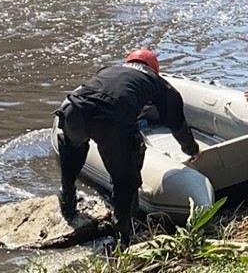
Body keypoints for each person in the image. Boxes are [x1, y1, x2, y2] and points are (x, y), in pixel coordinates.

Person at [54, 49, 200, 244]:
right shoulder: (159, 84)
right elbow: (177, 124)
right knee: (126, 179)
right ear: (155, 69)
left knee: (72, 149)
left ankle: (67, 201)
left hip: (74, 110)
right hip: (111, 120)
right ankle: (123, 237)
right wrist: (191, 149)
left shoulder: (108, 70)